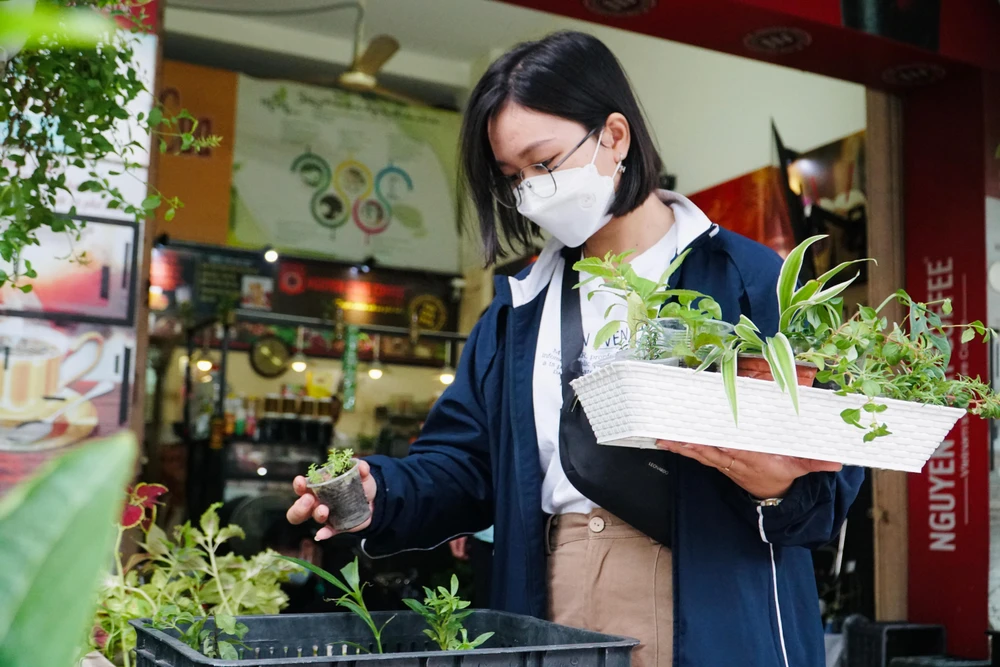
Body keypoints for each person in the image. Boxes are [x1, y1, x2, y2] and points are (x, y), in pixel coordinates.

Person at [288, 30, 863, 667]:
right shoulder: (517, 311)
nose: (530, 191)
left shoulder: (749, 281)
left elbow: (830, 482)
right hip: (546, 592)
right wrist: (383, 492)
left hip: (706, 597)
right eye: (511, 177)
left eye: (544, 162)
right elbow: (468, 464)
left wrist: (775, 489)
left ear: (615, 136)